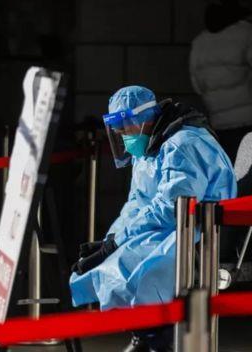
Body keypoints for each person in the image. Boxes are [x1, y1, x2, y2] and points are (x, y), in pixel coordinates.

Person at [69, 86, 236, 352]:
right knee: (108, 265)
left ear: (143, 119)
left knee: (139, 272)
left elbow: (173, 207)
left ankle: (158, 338)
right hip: (163, 227)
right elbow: (136, 203)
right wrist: (111, 240)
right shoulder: (150, 146)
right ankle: (147, 335)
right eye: (119, 130)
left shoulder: (182, 145)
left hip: (195, 230)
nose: (123, 136)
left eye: (125, 128)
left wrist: (121, 241)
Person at [189, 0, 252, 161]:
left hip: (218, 122)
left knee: (232, 175)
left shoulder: (199, 42)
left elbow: (197, 85)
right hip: (247, 121)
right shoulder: (246, 33)